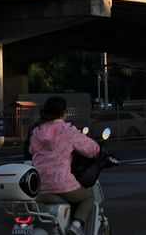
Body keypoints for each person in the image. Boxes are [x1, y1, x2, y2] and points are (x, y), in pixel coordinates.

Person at [29, 96, 100, 235]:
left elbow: (32, 151)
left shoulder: (36, 131)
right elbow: (91, 149)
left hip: (39, 186)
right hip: (61, 183)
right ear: (64, 112)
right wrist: (100, 150)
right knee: (88, 198)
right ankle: (75, 226)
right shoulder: (67, 130)